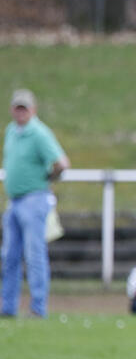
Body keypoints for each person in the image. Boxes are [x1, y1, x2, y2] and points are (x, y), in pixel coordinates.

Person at [2, 89, 70, 318]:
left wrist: (47, 179)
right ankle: (7, 307)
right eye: (17, 107)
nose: (20, 112)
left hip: (34, 200)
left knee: (34, 255)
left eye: (25, 108)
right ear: (12, 109)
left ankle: (37, 308)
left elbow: (61, 163)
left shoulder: (39, 133)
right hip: (14, 201)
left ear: (33, 109)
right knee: (9, 256)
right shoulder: (11, 131)